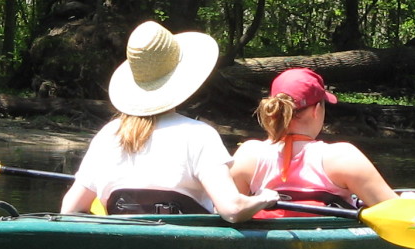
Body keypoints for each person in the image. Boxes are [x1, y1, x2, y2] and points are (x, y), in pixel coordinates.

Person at [60, 21, 279, 222]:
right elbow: (232, 210)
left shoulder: (109, 135)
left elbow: (69, 210)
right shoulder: (199, 135)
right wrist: (263, 198)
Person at [231, 67, 410, 218]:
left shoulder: (248, 154)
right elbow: (396, 215)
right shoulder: (342, 157)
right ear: (317, 110)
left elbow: (226, 209)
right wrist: (412, 201)